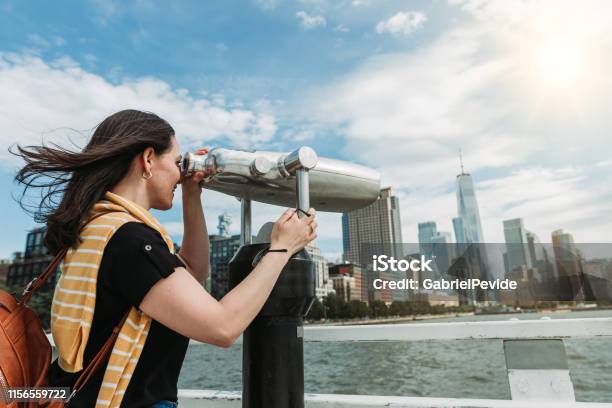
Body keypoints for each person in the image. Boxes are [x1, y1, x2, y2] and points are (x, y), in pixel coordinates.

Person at [12, 109, 317, 407]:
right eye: (175, 162)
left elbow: (193, 275)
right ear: (147, 160)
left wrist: (191, 196)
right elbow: (223, 327)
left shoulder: (99, 229)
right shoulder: (130, 239)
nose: (178, 172)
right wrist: (282, 249)